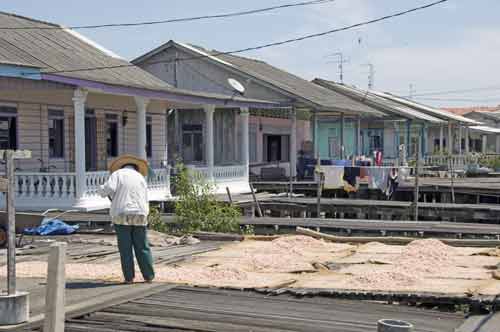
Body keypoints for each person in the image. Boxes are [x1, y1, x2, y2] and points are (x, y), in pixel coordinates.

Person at [99, 154, 155, 284]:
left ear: (122, 166)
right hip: (140, 214)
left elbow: (109, 189)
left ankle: (129, 278)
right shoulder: (140, 177)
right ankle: (149, 276)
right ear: (136, 168)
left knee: (125, 248)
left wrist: (101, 190)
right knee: (142, 246)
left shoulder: (117, 174)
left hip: (122, 214)